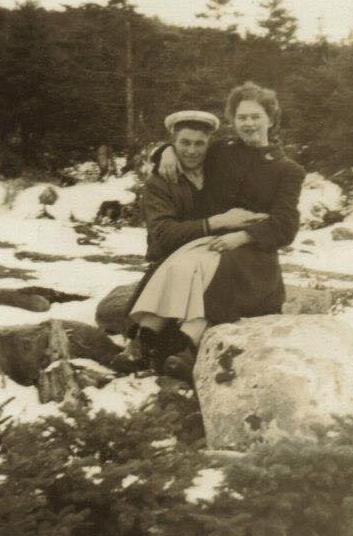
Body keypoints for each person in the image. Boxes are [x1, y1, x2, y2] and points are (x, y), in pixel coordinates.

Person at [118, 82, 305, 382]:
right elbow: (186, 145)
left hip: (253, 252)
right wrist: (164, 152)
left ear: (271, 118)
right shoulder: (222, 151)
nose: (248, 123)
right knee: (180, 263)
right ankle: (146, 340)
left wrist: (242, 235)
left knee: (211, 265)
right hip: (210, 242)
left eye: (255, 116)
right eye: (242, 117)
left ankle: (186, 348)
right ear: (233, 120)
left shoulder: (288, 170)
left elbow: (286, 224)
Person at [113, 109, 267, 373]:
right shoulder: (160, 183)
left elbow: (255, 156)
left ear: (209, 144)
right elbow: (163, 236)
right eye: (184, 143)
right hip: (172, 259)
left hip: (221, 252)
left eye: (200, 143)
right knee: (191, 269)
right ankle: (147, 345)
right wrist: (214, 222)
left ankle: (177, 346)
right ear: (173, 141)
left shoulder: (220, 166)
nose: (192, 151)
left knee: (221, 269)